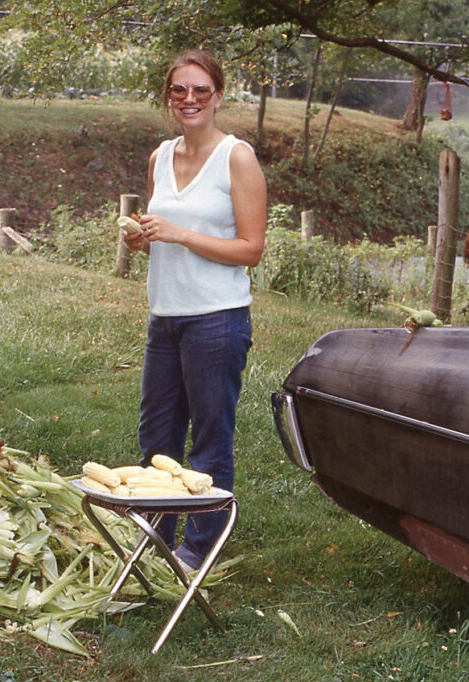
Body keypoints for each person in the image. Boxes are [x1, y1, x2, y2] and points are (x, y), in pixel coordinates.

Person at [123, 50, 267, 572]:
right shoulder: (161, 156)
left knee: (208, 441)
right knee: (156, 439)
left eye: (200, 90)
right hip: (166, 316)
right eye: (179, 90)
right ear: (168, 98)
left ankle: (198, 548)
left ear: (218, 96)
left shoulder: (237, 157)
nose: (189, 99)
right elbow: (162, 235)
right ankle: (152, 537)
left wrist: (179, 233)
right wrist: (146, 239)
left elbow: (251, 249)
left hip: (217, 318)